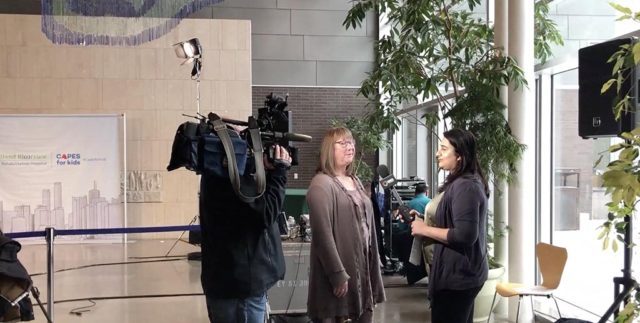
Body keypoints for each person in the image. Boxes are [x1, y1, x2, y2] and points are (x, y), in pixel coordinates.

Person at [199, 141, 291, 323]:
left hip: (220, 283)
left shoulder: (212, 173)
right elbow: (266, 213)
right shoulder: (232, 178)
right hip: (243, 290)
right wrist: (279, 173)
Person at [306, 127, 386, 323]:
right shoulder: (321, 184)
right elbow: (322, 235)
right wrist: (337, 274)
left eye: (351, 142)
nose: (350, 147)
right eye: (343, 143)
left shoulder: (354, 180)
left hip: (363, 270)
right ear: (328, 149)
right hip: (340, 275)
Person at [410, 128, 489, 323]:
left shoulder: (465, 186)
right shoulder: (461, 183)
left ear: (460, 155)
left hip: (459, 278)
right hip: (459, 276)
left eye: (444, 149)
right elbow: (455, 219)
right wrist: (423, 218)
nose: (438, 153)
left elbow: (465, 235)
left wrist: (424, 229)